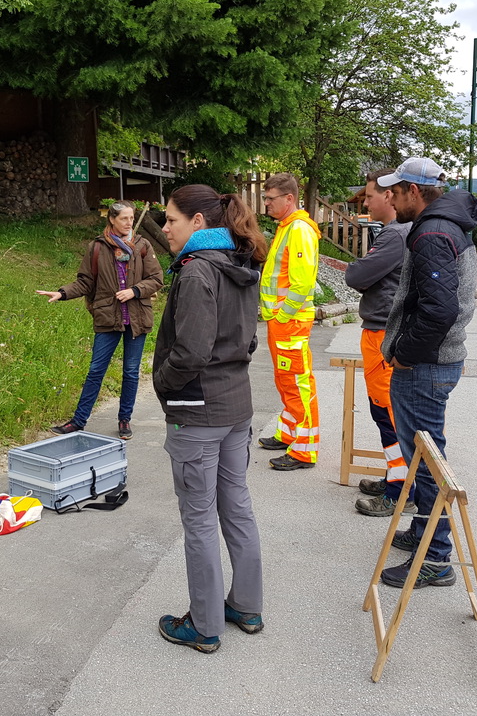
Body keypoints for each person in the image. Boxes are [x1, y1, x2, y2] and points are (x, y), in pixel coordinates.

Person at [152, 184, 268, 653]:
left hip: (198, 411)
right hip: (236, 405)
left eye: (171, 220)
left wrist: (161, 382)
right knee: (236, 507)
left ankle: (204, 626)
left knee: (199, 519)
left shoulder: (199, 270)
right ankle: (246, 605)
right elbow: (248, 339)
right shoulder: (240, 264)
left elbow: (192, 351)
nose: (164, 229)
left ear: (198, 222)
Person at [375, 157, 477, 589]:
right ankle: (424, 534)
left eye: (394, 191)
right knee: (425, 454)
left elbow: (439, 310)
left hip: (425, 365)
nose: (389, 198)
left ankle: (435, 558)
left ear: (413, 192)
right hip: (437, 361)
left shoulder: (434, 233)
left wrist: (403, 355)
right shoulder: (447, 223)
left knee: (426, 462)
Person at [36, 201, 163, 440]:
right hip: (108, 317)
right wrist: (61, 293)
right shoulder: (96, 247)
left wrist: (134, 291)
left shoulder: (142, 245)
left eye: (131, 218)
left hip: (136, 318)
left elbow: (156, 279)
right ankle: (78, 421)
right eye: (124, 218)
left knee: (131, 372)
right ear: (112, 220)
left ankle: (124, 420)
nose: (129, 223)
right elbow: (85, 282)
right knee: (96, 370)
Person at [345, 169, 415, 517]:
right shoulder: (400, 232)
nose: (366, 201)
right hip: (384, 331)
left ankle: (399, 490)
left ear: (389, 196)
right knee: (386, 410)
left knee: (387, 412)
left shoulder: (393, 236)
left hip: (382, 334)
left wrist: (360, 266)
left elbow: (356, 275)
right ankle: (396, 478)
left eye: (370, 195)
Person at [256, 173, 321, 471]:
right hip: (282, 321)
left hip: (289, 322)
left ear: (289, 198)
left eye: (270, 198)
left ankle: (304, 450)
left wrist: (282, 315)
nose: (266, 203)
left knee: (296, 383)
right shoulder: (288, 226)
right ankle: (289, 434)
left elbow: (302, 283)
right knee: (287, 381)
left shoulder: (297, 229)